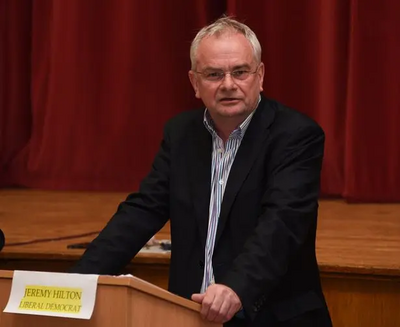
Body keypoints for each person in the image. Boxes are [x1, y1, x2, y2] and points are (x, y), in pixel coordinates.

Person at [71, 17, 332, 327]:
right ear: (194, 83)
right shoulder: (181, 134)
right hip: (189, 315)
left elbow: (282, 224)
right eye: (213, 74)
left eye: (240, 71)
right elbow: (142, 211)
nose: (228, 84)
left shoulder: (296, 135)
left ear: (260, 76)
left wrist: (236, 288)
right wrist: (77, 282)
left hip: (270, 316)